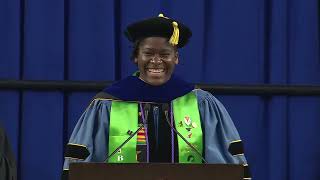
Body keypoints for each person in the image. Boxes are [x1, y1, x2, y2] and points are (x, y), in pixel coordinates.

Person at [62, 14, 251, 179]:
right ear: (136, 57)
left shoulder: (202, 104)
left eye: (165, 54)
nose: (156, 60)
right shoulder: (108, 104)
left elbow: (227, 164)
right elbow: (81, 165)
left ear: (176, 57)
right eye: (148, 53)